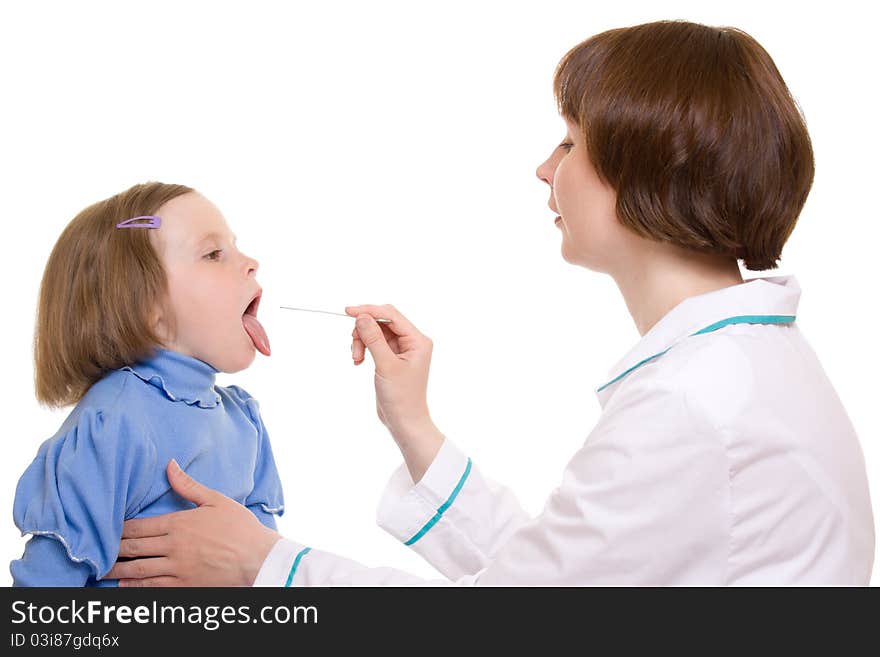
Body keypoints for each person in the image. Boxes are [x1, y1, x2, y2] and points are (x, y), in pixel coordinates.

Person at [106, 19, 874, 586]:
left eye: (571, 142)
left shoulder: (697, 403)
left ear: (651, 171)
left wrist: (265, 564)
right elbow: (562, 575)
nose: (545, 168)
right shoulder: (733, 372)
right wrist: (414, 425)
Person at [10, 182, 283, 586]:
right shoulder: (114, 423)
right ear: (146, 308)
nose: (251, 262)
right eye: (212, 253)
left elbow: (265, 567)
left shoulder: (244, 421)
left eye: (234, 246)